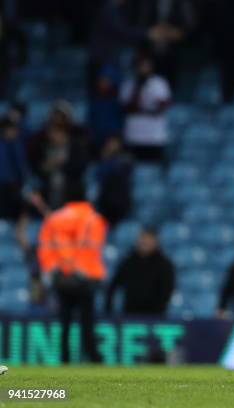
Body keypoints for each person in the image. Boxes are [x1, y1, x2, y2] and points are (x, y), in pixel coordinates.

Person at [37, 182, 107, 363]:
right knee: (87, 323)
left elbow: (45, 249)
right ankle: (93, 359)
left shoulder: (53, 218)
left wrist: (52, 272)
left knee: (65, 323)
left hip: (62, 278)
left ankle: (64, 360)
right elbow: (93, 249)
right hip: (85, 279)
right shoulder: (93, 219)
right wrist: (82, 270)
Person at [105, 228, 175, 316]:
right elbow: (114, 285)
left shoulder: (164, 264)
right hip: (130, 312)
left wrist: (160, 309)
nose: (145, 243)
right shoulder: (128, 262)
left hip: (155, 314)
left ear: (156, 242)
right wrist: (108, 308)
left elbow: (168, 289)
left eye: (148, 240)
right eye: (143, 240)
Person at [120, 50, 172, 163]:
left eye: (146, 66)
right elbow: (125, 106)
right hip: (133, 134)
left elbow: (163, 105)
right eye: (140, 66)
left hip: (154, 135)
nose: (143, 69)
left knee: (153, 168)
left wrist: (150, 108)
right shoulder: (129, 83)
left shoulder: (159, 83)